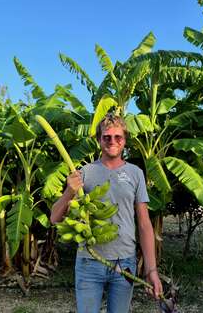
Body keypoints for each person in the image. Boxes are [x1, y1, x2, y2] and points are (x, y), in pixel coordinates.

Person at [50, 113, 163, 313]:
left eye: (118, 137)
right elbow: (54, 218)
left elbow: (144, 225)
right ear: (99, 140)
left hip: (125, 262)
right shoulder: (85, 173)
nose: (112, 141)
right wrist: (69, 191)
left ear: (125, 141)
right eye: (107, 137)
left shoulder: (136, 173)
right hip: (89, 261)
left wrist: (151, 269)